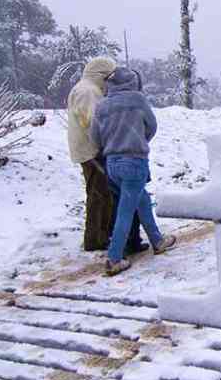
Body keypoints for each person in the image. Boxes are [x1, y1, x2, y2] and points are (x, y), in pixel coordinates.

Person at [90, 67, 176, 276]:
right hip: (134, 162)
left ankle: (157, 241)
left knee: (141, 200)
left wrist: (112, 145)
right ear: (132, 82)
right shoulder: (137, 100)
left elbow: (94, 136)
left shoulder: (102, 106)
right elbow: (152, 126)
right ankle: (114, 258)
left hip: (111, 163)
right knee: (125, 211)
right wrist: (138, 140)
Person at [67, 57, 146, 253]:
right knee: (99, 195)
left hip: (90, 148)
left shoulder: (87, 88)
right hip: (91, 150)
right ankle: (95, 239)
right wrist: (111, 142)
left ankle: (105, 234)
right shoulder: (89, 92)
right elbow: (94, 122)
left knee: (104, 193)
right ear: (101, 75)